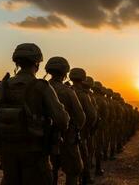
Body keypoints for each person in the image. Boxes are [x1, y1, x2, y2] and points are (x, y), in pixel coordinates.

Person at [0, 43, 70, 185]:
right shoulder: (42, 87)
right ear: (37, 63)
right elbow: (62, 121)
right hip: (35, 153)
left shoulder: (2, 86)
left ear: (17, 62)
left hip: (7, 153)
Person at [45, 57, 86, 185]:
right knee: (74, 170)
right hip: (66, 138)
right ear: (65, 73)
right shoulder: (68, 92)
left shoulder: (39, 88)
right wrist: (75, 131)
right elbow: (81, 117)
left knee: (49, 171)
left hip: (42, 138)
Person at [70, 68, 97, 185]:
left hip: (61, 132)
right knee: (83, 156)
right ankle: (85, 178)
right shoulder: (84, 96)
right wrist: (87, 129)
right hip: (79, 131)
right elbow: (91, 116)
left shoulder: (64, 90)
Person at [92, 81, 109, 176]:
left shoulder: (89, 96)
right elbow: (106, 116)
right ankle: (97, 168)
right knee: (98, 147)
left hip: (87, 127)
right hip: (99, 126)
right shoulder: (102, 101)